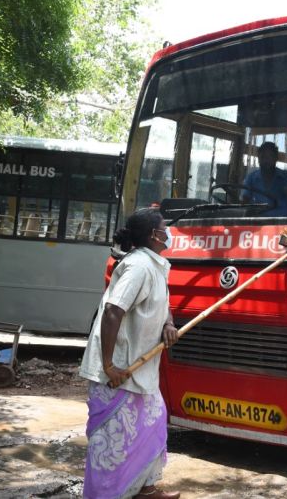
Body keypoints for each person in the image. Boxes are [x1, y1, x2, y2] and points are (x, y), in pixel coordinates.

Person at [79, 208, 180, 499]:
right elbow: (113, 310)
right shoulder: (138, 266)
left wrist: (169, 324)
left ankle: (145, 489)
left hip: (141, 369)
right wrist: (109, 365)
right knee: (113, 442)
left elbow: (162, 303)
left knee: (153, 425)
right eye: (164, 227)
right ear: (154, 235)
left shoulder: (156, 265)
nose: (168, 232)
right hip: (119, 371)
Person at [241, 141, 287, 217]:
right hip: (258, 223)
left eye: (269, 157)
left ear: (276, 158)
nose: (266, 161)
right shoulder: (251, 178)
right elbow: (244, 200)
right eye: (263, 157)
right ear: (258, 158)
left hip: (282, 224)